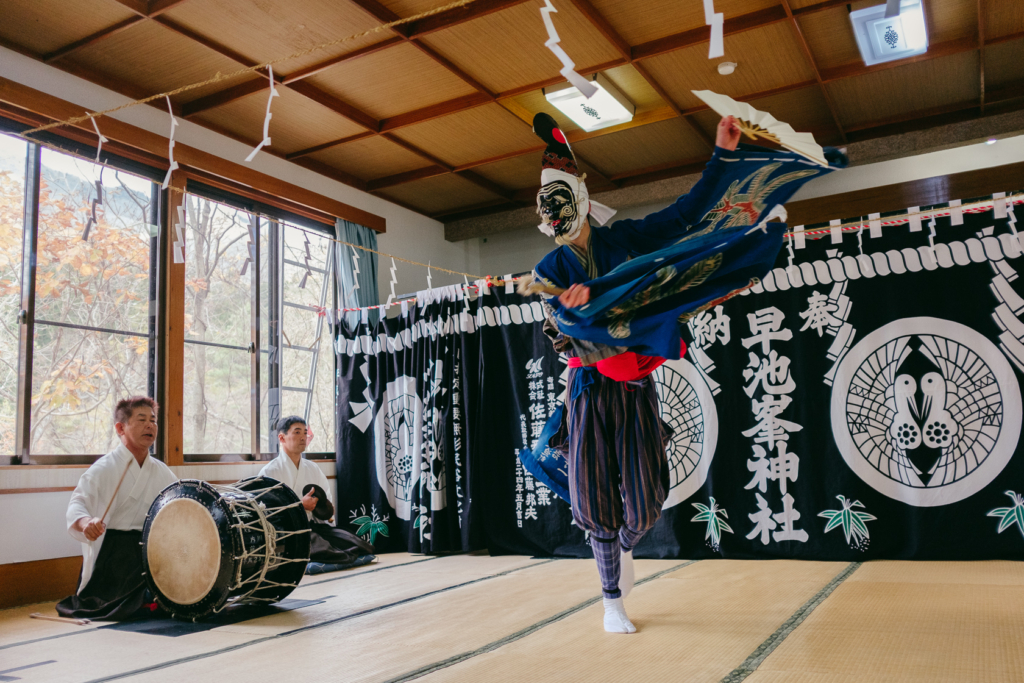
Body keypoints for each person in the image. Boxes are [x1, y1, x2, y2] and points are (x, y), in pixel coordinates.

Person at [526, 111, 841, 634]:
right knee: (594, 498)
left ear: (582, 200)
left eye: (565, 208)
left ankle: (623, 545)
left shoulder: (626, 239)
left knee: (647, 502)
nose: (561, 225)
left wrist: (722, 158)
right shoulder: (551, 270)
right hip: (587, 389)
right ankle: (610, 597)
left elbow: (687, 214)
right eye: (550, 216)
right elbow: (554, 323)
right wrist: (573, 311)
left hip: (637, 386)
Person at [58, 396, 177, 620]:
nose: (150, 425)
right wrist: (86, 524)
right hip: (115, 554)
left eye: (153, 420)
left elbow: (178, 505)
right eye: (141, 420)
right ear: (121, 428)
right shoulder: (103, 468)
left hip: (149, 550)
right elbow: (78, 503)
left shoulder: (161, 471)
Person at [260, 416, 374, 565]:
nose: (303, 437)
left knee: (360, 545)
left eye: (305, 432)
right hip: (288, 531)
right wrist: (300, 505)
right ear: (282, 438)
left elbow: (326, 502)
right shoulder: (269, 472)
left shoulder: (312, 468)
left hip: (313, 526)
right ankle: (332, 553)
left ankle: (335, 551)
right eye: (297, 432)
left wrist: (323, 508)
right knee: (322, 549)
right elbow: (267, 513)